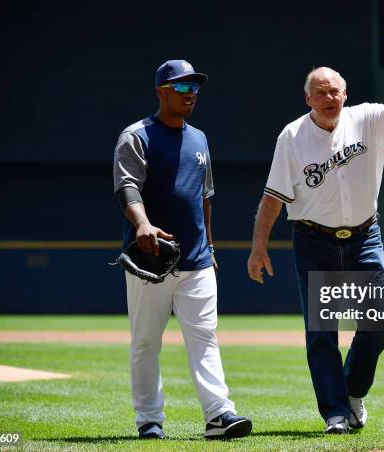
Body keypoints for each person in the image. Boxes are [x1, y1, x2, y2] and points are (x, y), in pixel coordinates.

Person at [247, 21, 384, 434]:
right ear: (308, 98)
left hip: (365, 236)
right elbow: (273, 198)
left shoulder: (368, 119)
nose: (329, 97)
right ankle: (334, 414)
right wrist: (259, 249)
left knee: (378, 320)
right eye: (321, 91)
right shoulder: (291, 136)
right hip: (314, 240)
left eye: (335, 90)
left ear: (345, 94)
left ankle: (352, 392)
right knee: (322, 333)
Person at [113, 59, 252, 440]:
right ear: (162, 91)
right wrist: (141, 223)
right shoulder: (137, 135)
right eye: (183, 87)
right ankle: (149, 420)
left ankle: (219, 414)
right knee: (145, 342)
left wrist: (210, 244)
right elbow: (127, 186)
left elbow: (204, 197)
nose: (191, 94)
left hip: (196, 260)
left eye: (195, 87)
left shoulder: (199, 138)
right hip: (150, 260)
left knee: (205, 336)